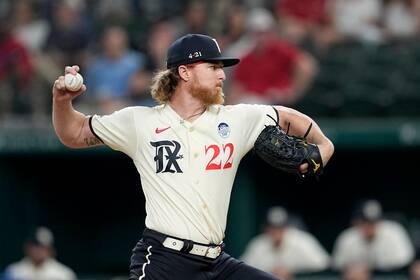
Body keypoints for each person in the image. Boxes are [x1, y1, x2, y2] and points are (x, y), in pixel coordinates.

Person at [51, 33, 334, 279]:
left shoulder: (237, 118)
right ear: (184, 72)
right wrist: (62, 102)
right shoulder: (139, 122)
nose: (222, 74)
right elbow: (73, 134)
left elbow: (286, 116)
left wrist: (324, 146)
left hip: (217, 262)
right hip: (164, 261)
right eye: (212, 67)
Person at [240, 206, 330, 279]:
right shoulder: (258, 244)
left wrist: (293, 272)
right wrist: (267, 272)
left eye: (280, 228)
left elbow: (324, 266)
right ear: (266, 229)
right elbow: (243, 270)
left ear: (286, 227)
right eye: (273, 228)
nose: (276, 232)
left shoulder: (302, 241)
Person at [332, 199, 415, 272]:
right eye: (365, 221)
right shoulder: (347, 238)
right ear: (355, 222)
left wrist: (370, 270)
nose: (369, 226)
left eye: (373, 221)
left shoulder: (394, 232)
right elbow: (336, 267)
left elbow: (406, 264)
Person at [3, 227, 77, 280]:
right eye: (35, 245)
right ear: (27, 247)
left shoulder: (63, 274)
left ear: (51, 250)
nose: (39, 250)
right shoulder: (13, 272)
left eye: (43, 246)